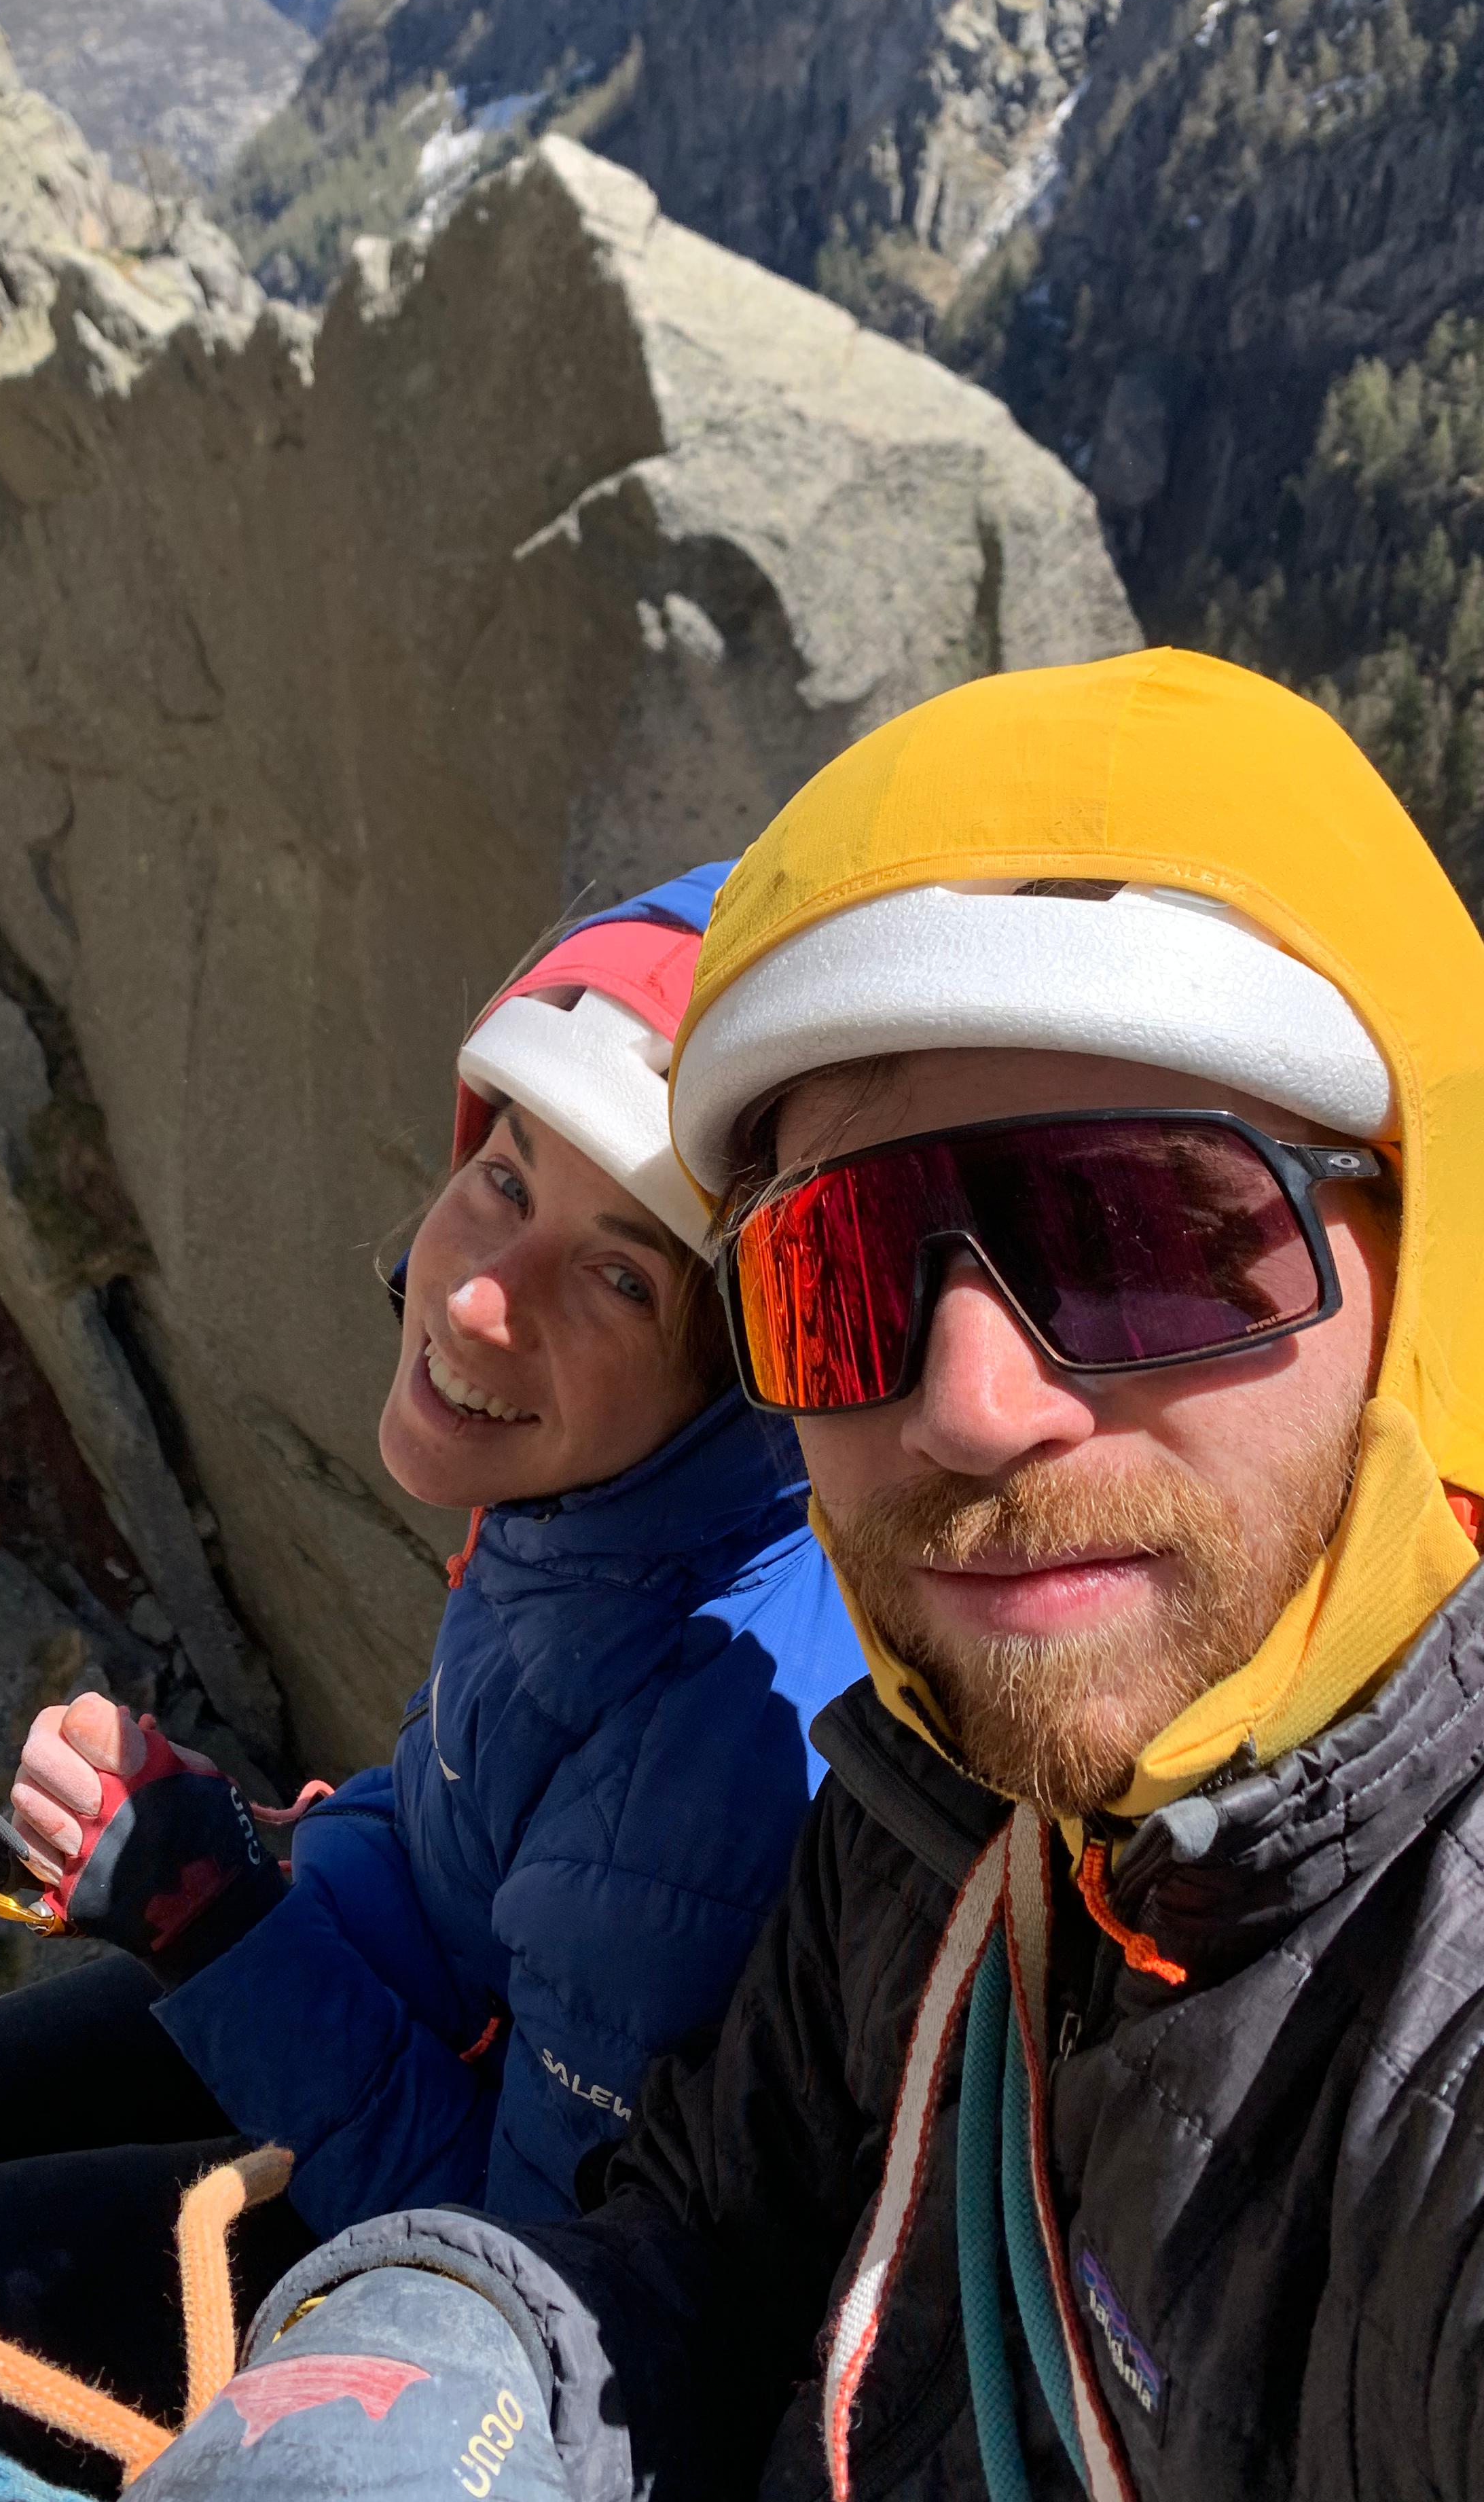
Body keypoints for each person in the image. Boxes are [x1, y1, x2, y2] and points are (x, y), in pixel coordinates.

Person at [125, 645, 1484, 2502]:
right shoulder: (923, 1803)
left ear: (1433, 1262)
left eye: (1144, 1237)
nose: (972, 1402)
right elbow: (689, 2232)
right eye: (841, 1270)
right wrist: (458, 2370)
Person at [0, 865, 863, 2484]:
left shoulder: (714, 1752)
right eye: (504, 1181)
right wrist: (276, 1852)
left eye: (623, 1275)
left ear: (742, 1390)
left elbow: (524, 2281)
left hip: (449, 2208)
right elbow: (474, 1822)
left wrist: (211, 1915)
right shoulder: (597, 1512)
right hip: (370, 1987)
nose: (483, 1297)